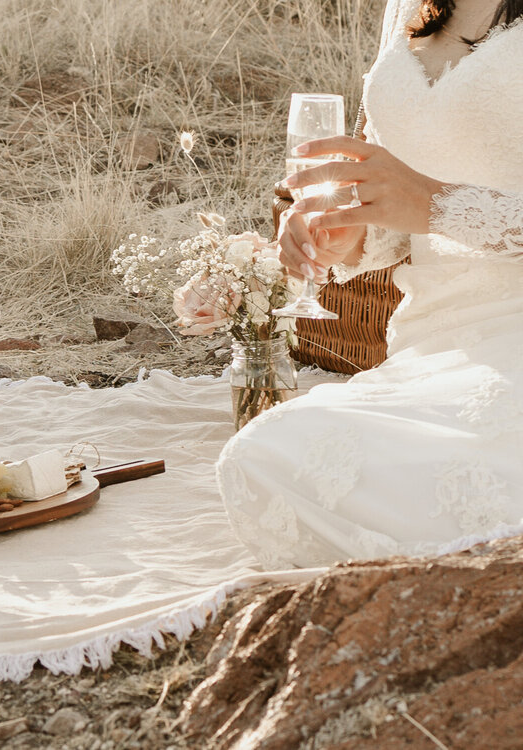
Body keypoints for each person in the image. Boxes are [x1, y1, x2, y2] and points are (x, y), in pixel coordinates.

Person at [217, 0, 523, 568]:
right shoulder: (408, 5)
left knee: (474, 481)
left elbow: (427, 201)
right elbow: (400, 211)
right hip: (433, 338)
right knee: (259, 461)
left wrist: (437, 206)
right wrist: (346, 237)